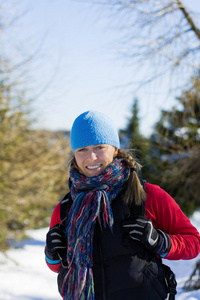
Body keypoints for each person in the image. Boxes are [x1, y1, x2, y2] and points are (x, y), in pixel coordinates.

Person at [45, 110, 200, 300]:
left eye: (99, 147)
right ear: (75, 154)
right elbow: (56, 266)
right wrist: (52, 253)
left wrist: (160, 241)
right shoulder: (66, 207)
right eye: (82, 149)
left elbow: (193, 243)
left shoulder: (148, 195)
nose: (91, 157)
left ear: (115, 149)